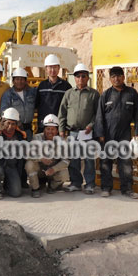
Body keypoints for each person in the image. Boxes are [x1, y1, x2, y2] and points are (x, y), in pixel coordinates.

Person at [94, 66, 138, 199]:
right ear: (110, 79)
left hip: (124, 134)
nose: (116, 79)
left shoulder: (132, 93)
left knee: (126, 163)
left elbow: (137, 114)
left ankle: (127, 189)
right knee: (106, 162)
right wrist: (100, 134)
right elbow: (99, 116)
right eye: (113, 76)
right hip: (108, 134)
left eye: (119, 76)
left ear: (123, 77)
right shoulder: (106, 95)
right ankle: (106, 188)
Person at [58, 63, 100, 194]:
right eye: (78, 76)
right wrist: (61, 129)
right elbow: (62, 112)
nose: (80, 79)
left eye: (83, 76)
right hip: (73, 132)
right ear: (74, 78)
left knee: (88, 159)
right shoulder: (69, 94)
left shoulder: (94, 94)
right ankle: (75, 183)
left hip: (87, 132)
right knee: (74, 159)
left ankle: (89, 184)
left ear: (88, 78)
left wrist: (91, 125)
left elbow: (97, 114)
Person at [0, 107, 27, 199]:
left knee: (16, 193)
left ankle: (7, 184)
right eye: (8, 123)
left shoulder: (19, 136)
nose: (10, 126)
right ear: (3, 122)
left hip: (11, 166)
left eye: (13, 124)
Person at [25, 114, 69, 198]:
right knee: (29, 164)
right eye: (48, 129)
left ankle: (52, 186)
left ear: (57, 131)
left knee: (65, 173)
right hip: (40, 170)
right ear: (44, 130)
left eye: (53, 129)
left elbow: (66, 161)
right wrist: (41, 159)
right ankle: (35, 188)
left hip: (52, 171)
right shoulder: (36, 138)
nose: (50, 131)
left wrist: (54, 169)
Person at [36, 54, 71, 132]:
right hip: (44, 125)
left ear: (59, 68)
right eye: (50, 67)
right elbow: (36, 104)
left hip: (59, 126)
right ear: (46, 69)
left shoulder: (66, 86)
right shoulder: (41, 86)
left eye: (55, 67)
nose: (53, 70)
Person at [0, 67, 36, 140]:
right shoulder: (8, 94)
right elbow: (3, 112)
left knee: (27, 149)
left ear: (26, 81)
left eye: (22, 79)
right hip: (15, 129)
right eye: (17, 79)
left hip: (28, 128)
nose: (19, 81)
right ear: (13, 81)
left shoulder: (32, 92)